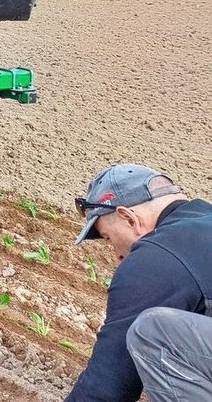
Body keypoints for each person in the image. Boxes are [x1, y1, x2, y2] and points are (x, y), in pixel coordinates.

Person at [66, 163, 212, 402]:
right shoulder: (204, 221)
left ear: (129, 218)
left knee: (155, 333)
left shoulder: (156, 257)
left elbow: (107, 387)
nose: (116, 255)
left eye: (108, 237)